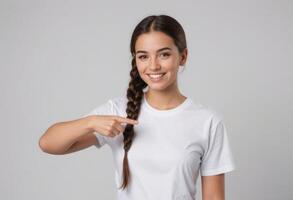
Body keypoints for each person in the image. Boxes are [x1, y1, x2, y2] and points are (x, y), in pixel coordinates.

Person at [39, 14, 236, 200]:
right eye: (143, 56)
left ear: (182, 57)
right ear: (135, 60)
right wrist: (90, 123)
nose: (153, 66)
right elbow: (48, 143)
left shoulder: (207, 121)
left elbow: (214, 197)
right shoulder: (117, 112)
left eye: (164, 55)